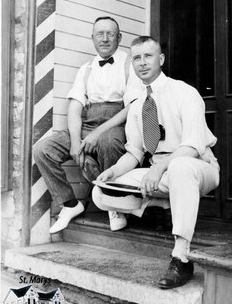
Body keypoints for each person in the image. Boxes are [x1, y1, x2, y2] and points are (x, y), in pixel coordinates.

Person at [92, 36, 220, 289]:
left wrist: (160, 168)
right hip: (159, 172)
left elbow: (193, 145)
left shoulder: (185, 92)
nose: (142, 63)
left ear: (160, 59)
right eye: (136, 58)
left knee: (179, 167)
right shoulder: (138, 104)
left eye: (148, 56)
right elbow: (134, 153)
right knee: (101, 192)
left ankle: (181, 257)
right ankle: (158, 204)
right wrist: (113, 171)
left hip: (196, 166)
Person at [33, 16, 142, 234]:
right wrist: (76, 142)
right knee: (43, 149)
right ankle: (70, 205)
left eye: (110, 34)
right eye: (99, 34)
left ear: (119, 38)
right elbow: (75, 107)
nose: (105, 39)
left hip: (117, 122)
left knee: (107, 141)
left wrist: (97, 134)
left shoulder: (129, 64)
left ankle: (114, 203)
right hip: (87, 123)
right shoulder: (86, 69)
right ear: (92, 38)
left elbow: (131, 107)